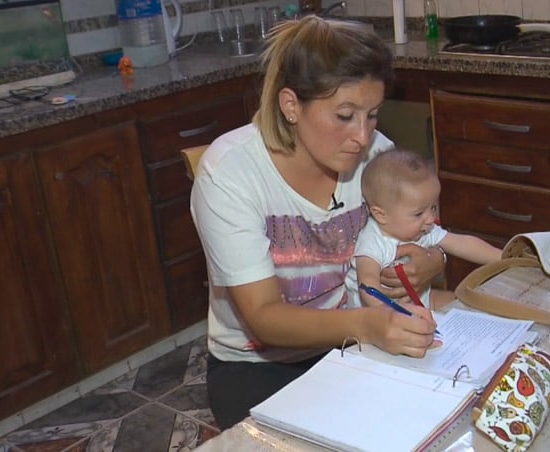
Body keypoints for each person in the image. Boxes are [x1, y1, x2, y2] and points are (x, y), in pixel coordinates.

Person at [189, 16, 446, 430]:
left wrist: (432, 260)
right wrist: (366, 325)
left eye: (373, 114)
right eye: (345, 115)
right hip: (256, 366)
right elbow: (263, 317)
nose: (362, 137)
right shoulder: (231, 172)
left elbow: (421, 235)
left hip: (349, 342)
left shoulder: (378, 156)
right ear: (291, 106)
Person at [345, 149, 503, 310]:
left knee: (468, 305)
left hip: (419, 304)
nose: (430, 219)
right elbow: (367, 287)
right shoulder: (372, 241)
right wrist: (392, 313)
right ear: (381, 215)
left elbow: (462, 243)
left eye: (433, 207)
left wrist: (502, 258)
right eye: (419, 213)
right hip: (375, 320)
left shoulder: (424, 229)